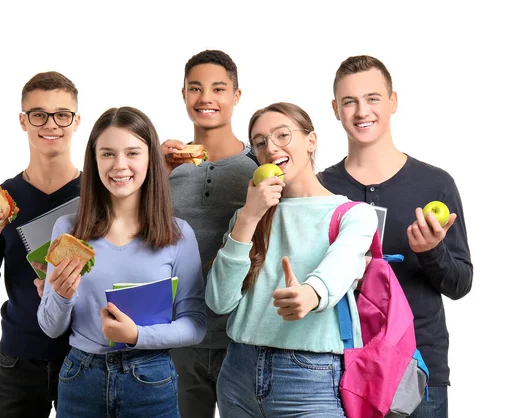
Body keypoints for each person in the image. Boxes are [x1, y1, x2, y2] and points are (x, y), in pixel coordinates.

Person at [318, 55, 473, 418]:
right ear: (335, 109)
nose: (361, 111)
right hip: (341, 364)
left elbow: (461, 283)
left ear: (393, 101)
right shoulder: (322, 188)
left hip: (418, 368)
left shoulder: (436, 184)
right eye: (349, 101)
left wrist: (433, 251)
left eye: (372, 98)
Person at [206, 102, 378, 417]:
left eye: (282, 135)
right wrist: (248, 218)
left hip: (310, 379)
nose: (271, 148)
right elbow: (219, 302)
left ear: (311, 141)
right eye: (260, 142)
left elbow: (339, 266)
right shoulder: (246, 218)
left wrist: (310, 294)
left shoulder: (354, 214)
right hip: (238, 374)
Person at [37, 106, 207, 418]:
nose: (120, 165)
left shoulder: (179, 234)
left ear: (150, 160)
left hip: (151, 379)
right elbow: (50, 328)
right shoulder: (67, 231)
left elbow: (195, 325)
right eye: (107, 154)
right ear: (94, 160)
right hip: (80, 379)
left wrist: (136, 336)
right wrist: (61, 295)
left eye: (132, 153)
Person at [0, 71, 82, 417]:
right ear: (23, 121)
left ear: (76, 121)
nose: (51, 124)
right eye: (38, 114)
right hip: (19, 358)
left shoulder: (99, 194)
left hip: (85, 354)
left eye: (62, 114)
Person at [162, 49, 258, 418]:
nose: (206, 98)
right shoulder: (164, 167)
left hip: (242, 337)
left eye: (218, 89)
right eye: (195, 88)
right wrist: (158, 172)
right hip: (179, 336)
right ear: (184, 94)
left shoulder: (259, 167)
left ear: (236, 96)